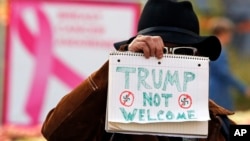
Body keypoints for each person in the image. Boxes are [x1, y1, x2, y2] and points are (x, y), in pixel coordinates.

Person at [41, 0, 236, 141]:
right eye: (152, 52)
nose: (167, 61)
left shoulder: (219, 124)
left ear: (198, 58)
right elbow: (56, 133)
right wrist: (117, 66)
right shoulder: (107, 118)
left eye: (183, 51)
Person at [209, 17, 250, 111]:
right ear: (224, 33)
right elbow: (224, 73)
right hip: (218, 92)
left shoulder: (210, 47)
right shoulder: (219, 49)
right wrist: (243, 88)